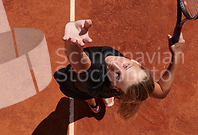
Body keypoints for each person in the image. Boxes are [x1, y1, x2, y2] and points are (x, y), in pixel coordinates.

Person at [53, 19, 185, 120]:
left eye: (118, 76)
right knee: (99, 92)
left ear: (115, 86)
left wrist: (71, 34)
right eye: (127, 66)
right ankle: (105, 96)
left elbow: (76, 58)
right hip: (109, 90)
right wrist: (177, 54)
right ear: (136, 62)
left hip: (76, 85)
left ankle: (92, 102)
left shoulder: (94, 77)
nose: (115, 65)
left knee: (86, 94)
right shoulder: (129, 86)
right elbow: (161, 91)